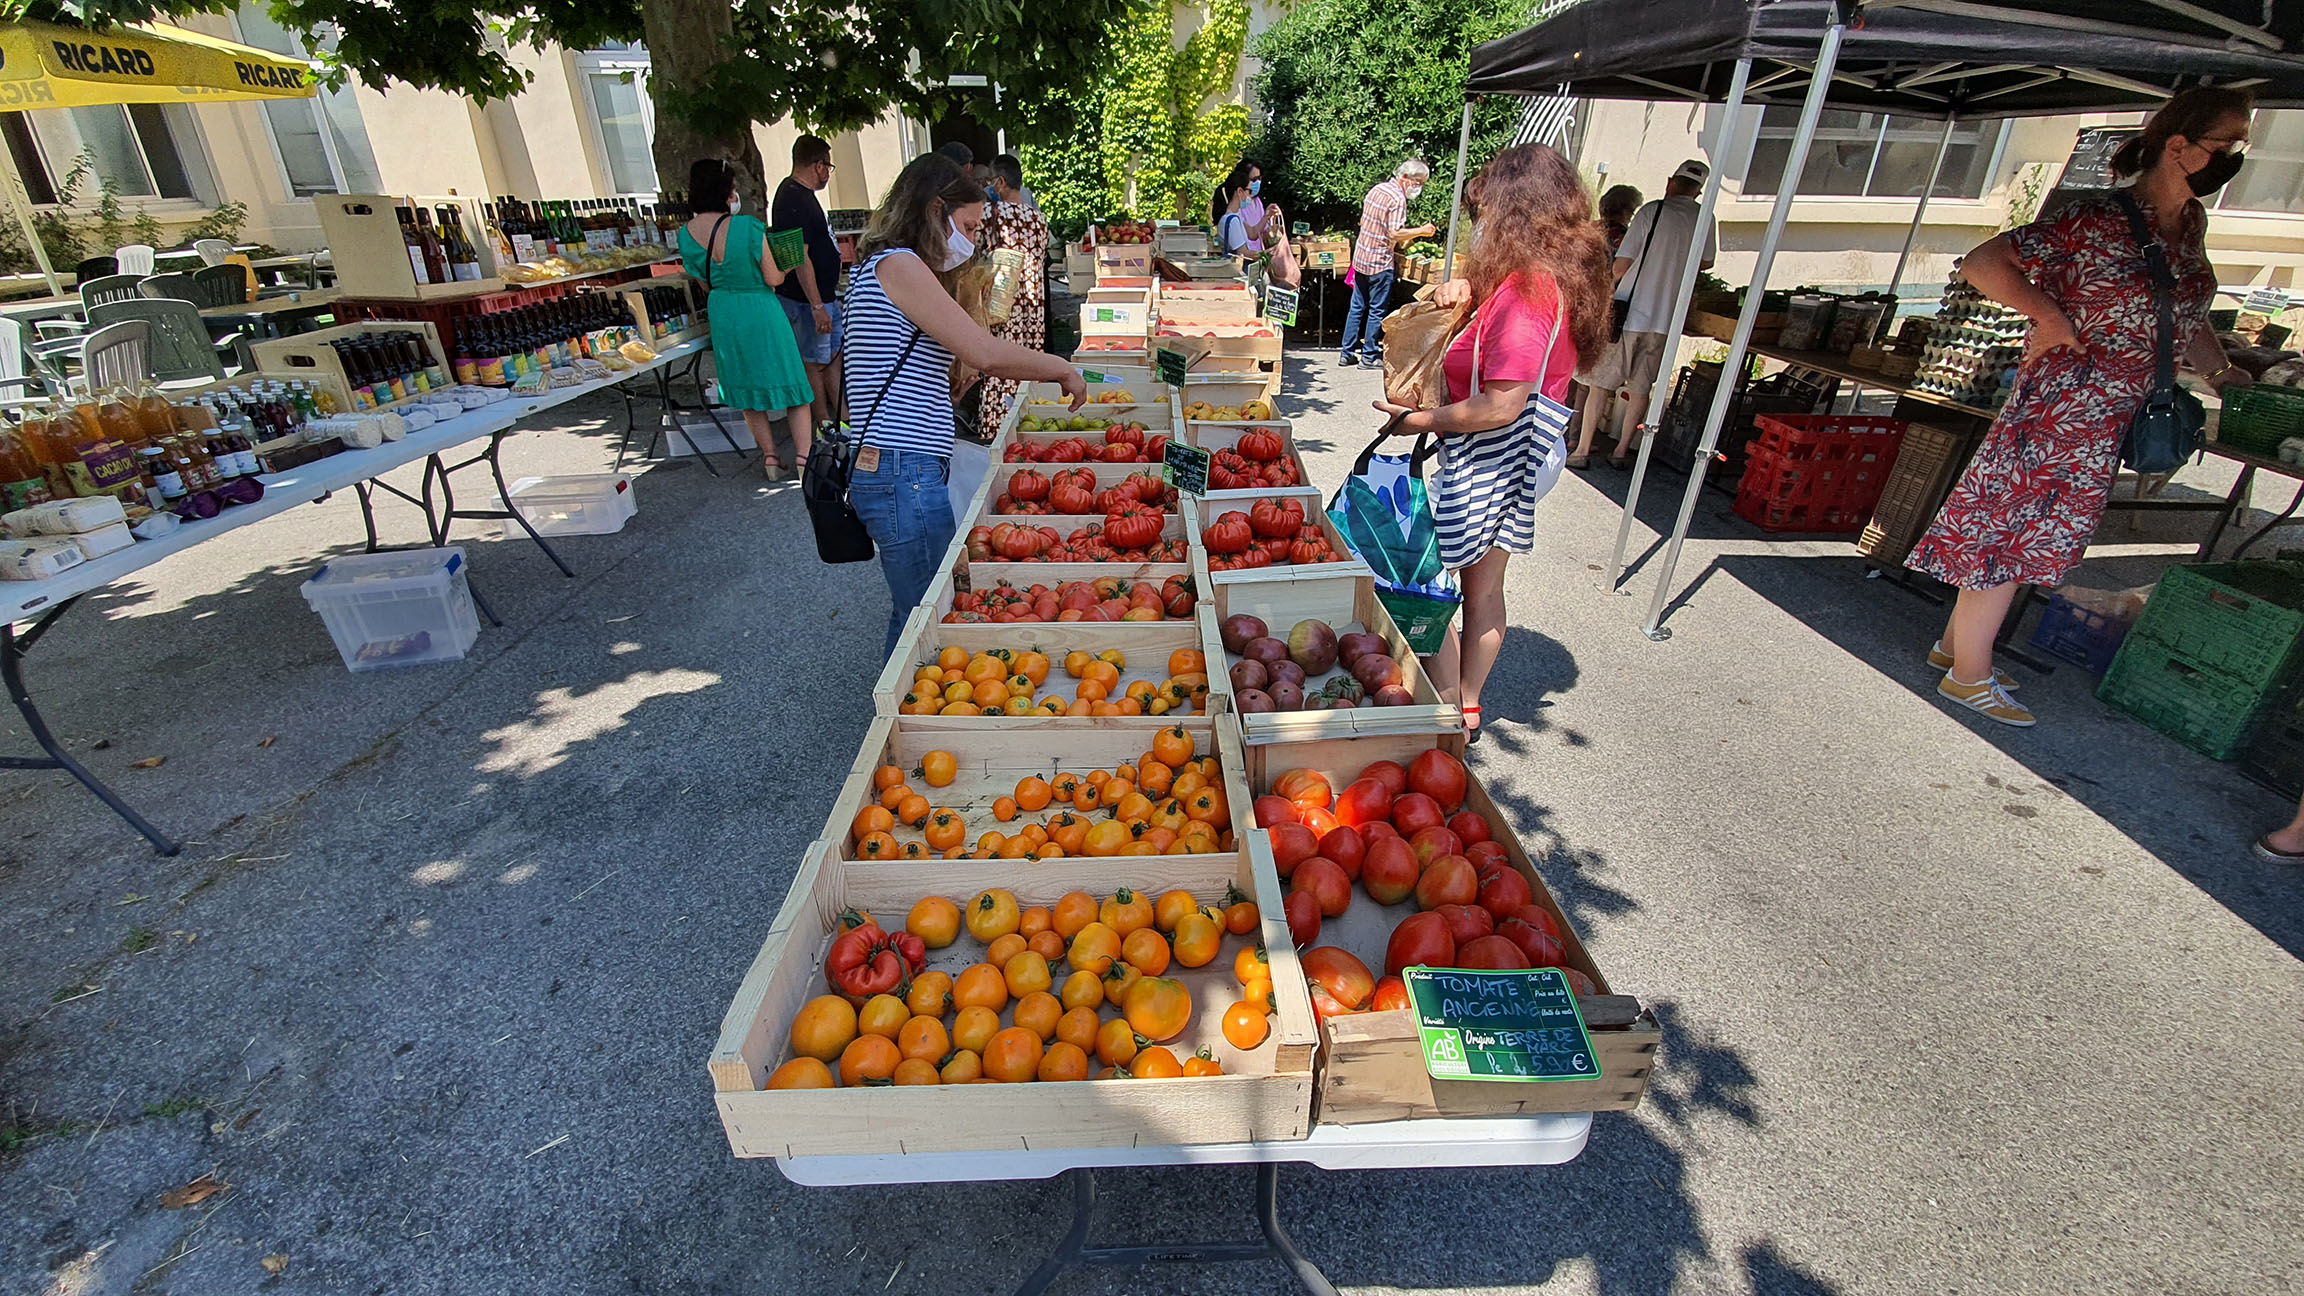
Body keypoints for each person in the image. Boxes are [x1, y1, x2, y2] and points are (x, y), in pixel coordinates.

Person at [1907, 87, 2256, 728]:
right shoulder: (2096, 218)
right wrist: (2049, 315)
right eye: (2226, 144)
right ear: (2178, 147)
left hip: (2113, 409)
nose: (2235, 156)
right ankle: (1967, 678)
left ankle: (1957, 648)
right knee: (2011, 532)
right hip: (2063, 404)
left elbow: (2184, 309)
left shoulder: (2190, 225)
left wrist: (2220, 370)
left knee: (2028, 530)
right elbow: (1984, 263)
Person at [1371, 145, 1611, 745]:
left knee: (1444, 581)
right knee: (1475, 582)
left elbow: (1503, 404)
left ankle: (1451, 704)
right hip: (1505, 453)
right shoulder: (1535, 279)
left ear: (1509, 215)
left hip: (1499, 456)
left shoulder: (1531, 296)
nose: (1478, 227)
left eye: (1483, 215)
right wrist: (1464, 290)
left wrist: (1419, 421)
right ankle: (1461, 704)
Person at [844, 153, 1088, 654]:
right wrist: (1060, 367)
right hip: (901, 470)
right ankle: (906, 723)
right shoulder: (901, 265)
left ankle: (906, 717)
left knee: (917, 609)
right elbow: (982, 351)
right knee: (926, 619)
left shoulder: (884, 267)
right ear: (936, 210)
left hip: (895, 465)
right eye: (969, 226)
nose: (973, 240)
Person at [1570, 159, 1714, 469]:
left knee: (1600, 383)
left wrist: (1604, 292)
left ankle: (1581, 450)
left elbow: (1622, 264)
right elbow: (1705, 262)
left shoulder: (1653, 211)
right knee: (1640, 387)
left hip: (1630, 312)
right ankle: (1621, 450)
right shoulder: (1705, 218)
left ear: (1670, 182)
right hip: (1667, 318)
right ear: (1699, 191)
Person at [678, 158, 815, 480]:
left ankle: (769, 458)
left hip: (723, 309)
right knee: (793, 384)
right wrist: (789, 262)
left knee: (744, 386)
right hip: (759, 307)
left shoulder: (686, 234)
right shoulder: (748, 227)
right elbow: (773, 278)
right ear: (726, 192)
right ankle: (804, 458)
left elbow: (704, 281)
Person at [974, 159, 1053, 441]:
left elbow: (974, 250)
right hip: (1034, 302)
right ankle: (1027, 425)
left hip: (1001, 300)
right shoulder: (1039, 218)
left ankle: (995, 430)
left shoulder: (990, 212)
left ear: (1001, 182)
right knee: (1028, 362)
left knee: (997, 363)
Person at [773, 134, 843, 430]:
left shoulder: (803, 196)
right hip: (806, 301)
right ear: (818, 165)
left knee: (833, 355)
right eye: (828, 166)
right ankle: (824, 420)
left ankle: (844, 416)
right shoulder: (791, 198)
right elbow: (797, 258)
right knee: (814, 361)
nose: (828, 173)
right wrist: (816, 305)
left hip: (824, 295)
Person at [1340, 158, 1435, 368]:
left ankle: (1346, 352)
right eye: (1418, 182)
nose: (1419, 188)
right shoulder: (1397, 199)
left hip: (1362, 258)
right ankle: (1369, 355)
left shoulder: (1377, 189)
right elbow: (1395, 232)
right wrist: (1421, 231)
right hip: (1380, 262)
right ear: (1405, 178)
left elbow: (1365, 222)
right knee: (1376, 310)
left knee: (1356, 307)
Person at [1211, 161, 1277, 256]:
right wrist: (1268, 254)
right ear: (1240, 192)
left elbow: (1253, 233)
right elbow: (1243, 253)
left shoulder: (1234, 217)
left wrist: (1266, 216)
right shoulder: (1232, 220)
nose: (1250, 196)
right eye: (1249, 191)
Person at [1597, 184, 1643, 254]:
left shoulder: (1590, 227)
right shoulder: (1624, 236)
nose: (1632, 215)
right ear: (1625, 210)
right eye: (1632, 210)